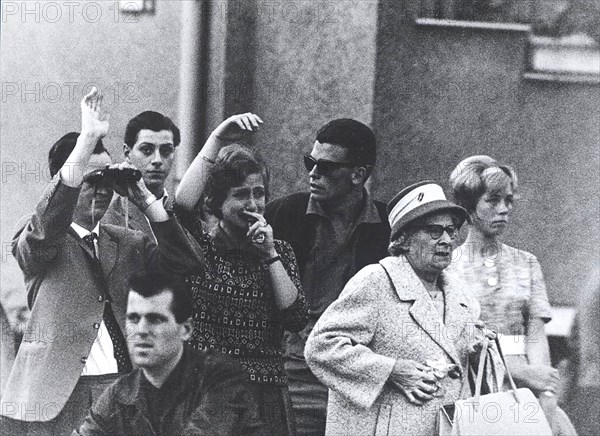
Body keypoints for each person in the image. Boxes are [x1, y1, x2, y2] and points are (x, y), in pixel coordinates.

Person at [0, 88, 203, 435]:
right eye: (92, 180)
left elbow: (188, 266)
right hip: (59, 397)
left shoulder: (126, 241)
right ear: (69, 181)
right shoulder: (40, 237)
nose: (104, 189)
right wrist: (88, 138)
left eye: (108, 179)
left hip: (123, 390)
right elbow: (45, 229)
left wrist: (148, 204)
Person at [304, 181, 497, 436]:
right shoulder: (376, 281)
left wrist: (480, 353)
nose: (447, 240)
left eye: (451, 230)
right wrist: (391, 370)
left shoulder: (463, 298)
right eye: (434, 231)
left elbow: (476, 379)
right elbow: (321, 346)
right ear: (403, 239)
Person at [175, 113, 309, 435]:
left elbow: (296, 317)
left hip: (266, 397)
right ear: (217, 202)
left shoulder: (280, 251)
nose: (253, 204)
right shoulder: (201, 247)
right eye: (240, 194)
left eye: (259, 193)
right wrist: (217, 138)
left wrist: (270, 256)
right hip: (210, 393)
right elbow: (181, 204)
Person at [264, 118, 390, 435]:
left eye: (326, 167)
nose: (313, 173)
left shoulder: (388, 228)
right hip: (293, 373)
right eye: (310, 162)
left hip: (356, 378)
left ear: (358, 174)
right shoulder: (283, 214)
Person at [447, 155, 577, 435]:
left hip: (525, 392)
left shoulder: (526, 262)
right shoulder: (449, 267)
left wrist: (547, 393)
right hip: (472, 390)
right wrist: (516, 368)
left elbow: (535, 334)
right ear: (468, 205)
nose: (503, 209)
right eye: (492, 200)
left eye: (508, 200)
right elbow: (456, 340)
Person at [75, 274, 263, 435]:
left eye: (155, 319)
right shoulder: (122, 393)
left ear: (186, 329)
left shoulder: (221, 378)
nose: (140, 330)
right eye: (133, 318)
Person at [103, 111, 180, 239]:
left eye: (165, 151)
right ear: (127, 153)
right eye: (146, 150)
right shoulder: (109, 217)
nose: (157, 160)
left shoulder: (183, 216)